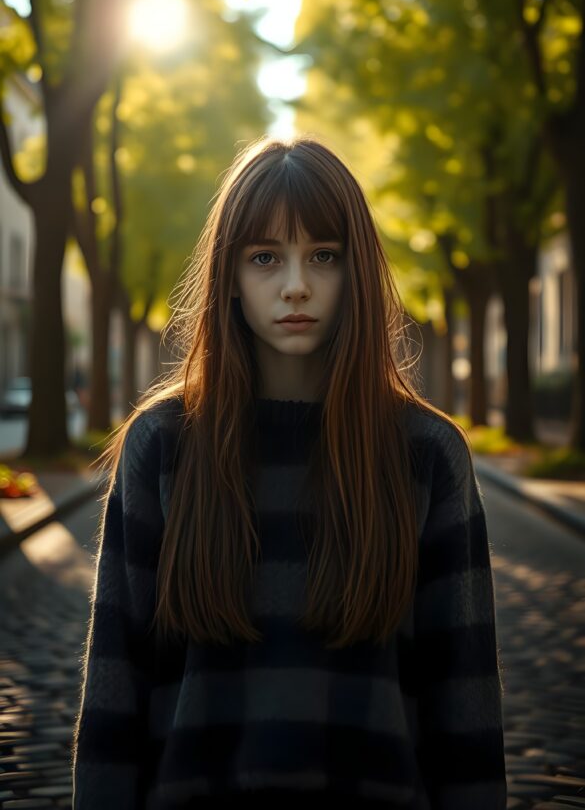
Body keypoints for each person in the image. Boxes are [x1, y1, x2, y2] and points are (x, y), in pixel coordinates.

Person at [71, 135, 507, 809]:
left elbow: (465, 703)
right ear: (230, 275)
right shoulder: (162, 445)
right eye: (265, 257)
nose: (296, 284)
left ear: (355, 269)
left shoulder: (426, 453)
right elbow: (114, 689)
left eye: (323, 256)